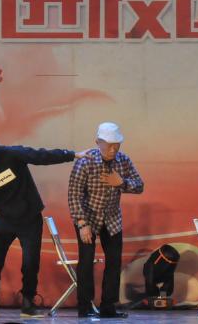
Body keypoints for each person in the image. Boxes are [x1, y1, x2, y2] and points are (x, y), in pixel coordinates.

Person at [0, 127, 86, 318]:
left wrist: (72, 155)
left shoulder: (11, 154)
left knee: (30, 263)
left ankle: (28, 303)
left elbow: (41, 156)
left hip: (29, 218)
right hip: (5, 219)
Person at [68, 122, 144, 319]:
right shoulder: (85, 162)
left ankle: (108, 307)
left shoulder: (123, 160)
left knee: (114, 262)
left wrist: (121, 183)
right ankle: (85, 307)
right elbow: (74, 194)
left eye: (116, 145)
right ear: (98, 142)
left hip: (112, 219)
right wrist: (82, 223)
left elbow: (139, 185)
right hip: (88, 218)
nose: (113, 150)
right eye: (109, 145)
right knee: (86, 262)